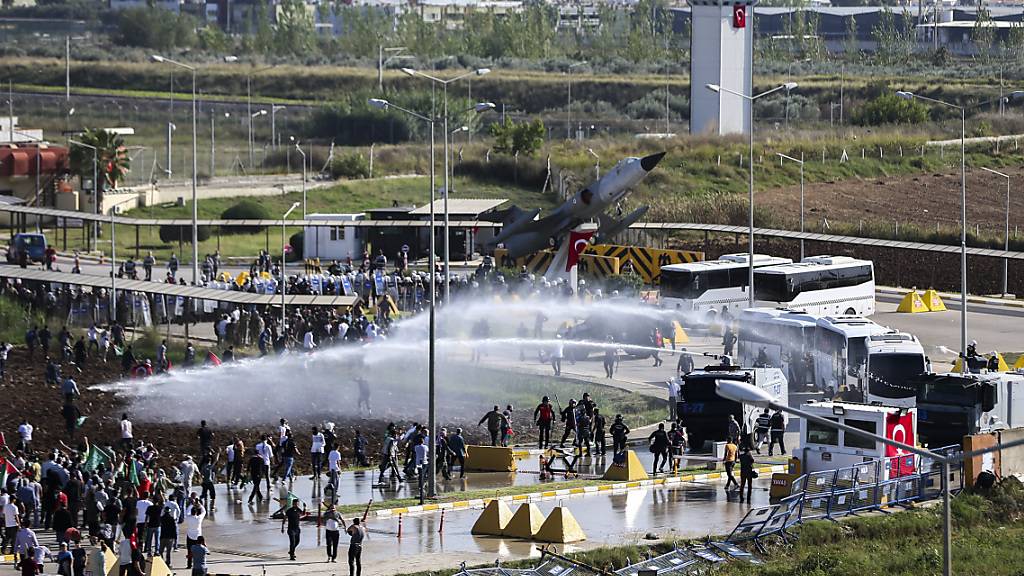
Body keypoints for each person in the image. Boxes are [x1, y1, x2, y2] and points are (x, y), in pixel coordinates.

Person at [184, 502, 206, 570]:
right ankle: (198, 563)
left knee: (189, 550)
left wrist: (192, 504)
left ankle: (189, 564)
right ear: (196, 512)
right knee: (199, 551)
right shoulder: (198, 518)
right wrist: (199, 504)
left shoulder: (188, 518)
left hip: (190, 536)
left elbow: (186, 511)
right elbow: (204, 511)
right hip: (198, 536)